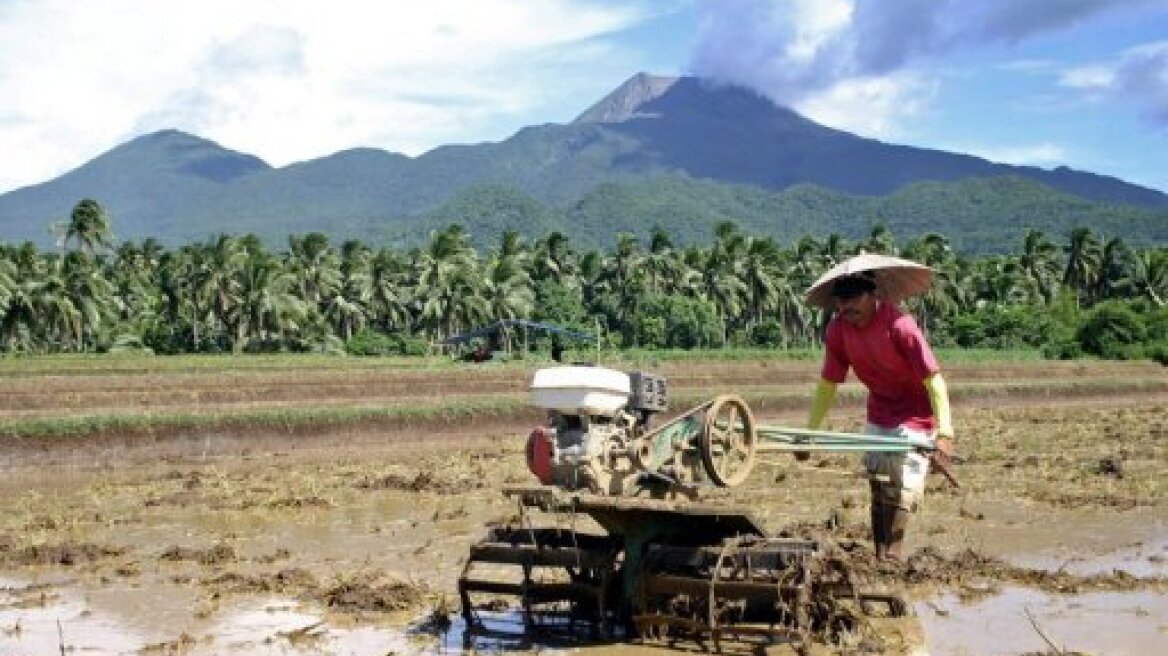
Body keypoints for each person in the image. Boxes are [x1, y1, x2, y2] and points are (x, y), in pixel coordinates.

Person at [806, 271, 955, 561]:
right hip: (880, 410)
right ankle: (879, 555)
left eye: (854, 299)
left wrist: (945, 435)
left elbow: (934, 380)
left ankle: (894, 558)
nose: (847, 308)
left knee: (905, 488)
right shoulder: (838, 331)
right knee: (878, 481)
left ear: (872, 295)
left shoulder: (901, 326)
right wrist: (810, 433)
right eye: (841, 301)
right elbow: (828, 384)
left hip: (916, 414)